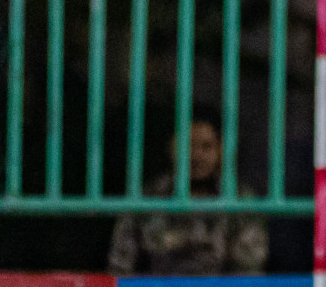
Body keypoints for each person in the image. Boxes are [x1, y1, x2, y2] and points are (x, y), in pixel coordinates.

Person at [108, 115, 268, 276]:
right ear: (171, 146)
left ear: (221, 149)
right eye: (188, 145)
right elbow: (120, 266)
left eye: (206, 146)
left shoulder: (240, 199)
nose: (196, 155)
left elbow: (250, 271)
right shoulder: (147, 197)